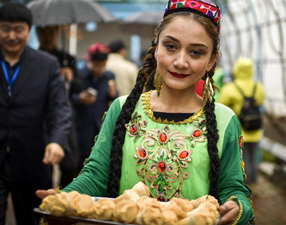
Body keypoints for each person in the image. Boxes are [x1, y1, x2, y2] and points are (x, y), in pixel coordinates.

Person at [37, 1, 255, 224]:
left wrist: (236, 207)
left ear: (211, 61)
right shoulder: (123, 109)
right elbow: (95, 175)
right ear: (156, 48)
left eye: (196, 52)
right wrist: (66, 199)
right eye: (171, 46)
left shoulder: (224, 119)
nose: (180, 62)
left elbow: (234, 189)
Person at [0, 3, 71, 225]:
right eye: (5, 28)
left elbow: (59, 107)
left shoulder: (47, 64)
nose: (12, 36)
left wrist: (57, 141)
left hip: (32, 158)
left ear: (29, 30)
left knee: (32, 219)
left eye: (18, 29)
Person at [36, 25, 82, 188]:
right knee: (42, 167)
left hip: (64, 116)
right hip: (40, 117)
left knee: (70, 165)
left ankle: (65, 196)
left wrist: (69, 76)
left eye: (51, 32)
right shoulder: (34, 58)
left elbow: (79, 86)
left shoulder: (66, 58)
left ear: (57, 33)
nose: (47, 36)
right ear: (37, 33)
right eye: (43, 32)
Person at [219, 57, 265, 185]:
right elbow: (260, 101)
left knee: (242, 159)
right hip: (256, 128)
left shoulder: (231, 88)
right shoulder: (258, 86)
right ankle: (254, 180)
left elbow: (221, 104)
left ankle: (246, 184)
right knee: (253, 156)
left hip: (240, 130)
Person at [74, 43, 117, 168]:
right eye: (96, 66)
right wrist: (79, 98)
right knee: (80, 162)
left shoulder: (109, 75)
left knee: (99, 159)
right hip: (81, 124)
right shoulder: (79, 75)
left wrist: (113, 94)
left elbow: (112, 97)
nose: (99, 69)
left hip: (100, 124)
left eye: (102, 66)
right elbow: (68, 97)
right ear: (89, 61)